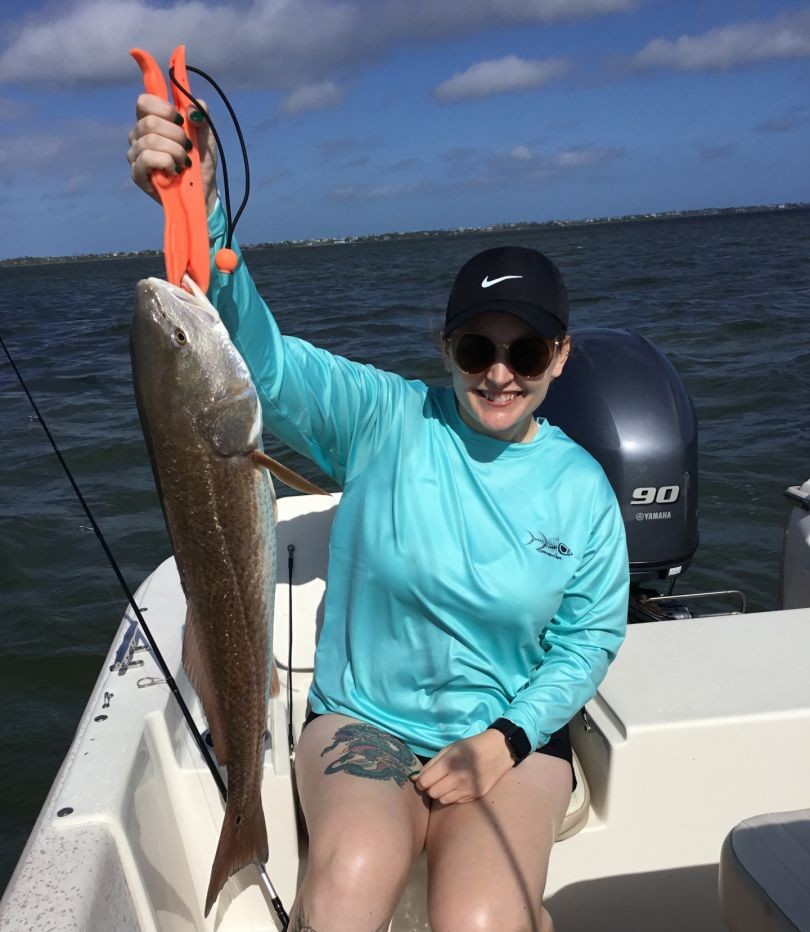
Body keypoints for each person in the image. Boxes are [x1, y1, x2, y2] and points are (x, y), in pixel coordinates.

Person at [128, 94, 629, 932]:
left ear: (561, 356)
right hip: (364, 722)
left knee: (482, 920)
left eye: (527, 351)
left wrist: (504, 741)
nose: (499, 373)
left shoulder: (581, 489)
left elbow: (588, 640)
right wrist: (200, 202)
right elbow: (262, 365)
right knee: (347, 886)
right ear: (445, 348)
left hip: (510, 737)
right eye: (477, 348)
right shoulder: (381, 417)